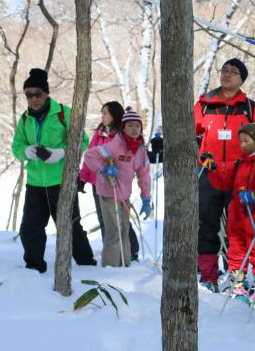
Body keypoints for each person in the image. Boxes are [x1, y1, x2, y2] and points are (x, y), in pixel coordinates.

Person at [194, 58, 255, 291]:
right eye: (225, 70)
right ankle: (208, 275)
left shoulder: (250, 108)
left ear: (242, 79)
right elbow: (186, 133)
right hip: (209, 174)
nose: (227, 74)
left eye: (234, 71)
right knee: (206, 226)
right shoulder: (204, 105)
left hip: (241, 177)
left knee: (238, 229)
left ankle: (235, 274)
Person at [11, 68, 96, 273]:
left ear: (46, 93)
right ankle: (34, 267)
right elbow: (16, 146)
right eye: (29, 94)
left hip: (61, 181)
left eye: (37, 94)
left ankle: (87, 265)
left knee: (70, 226)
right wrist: (27, 151)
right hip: (35, 183)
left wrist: (61, 153)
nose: (33, 99)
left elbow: (83, 142)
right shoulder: (25, 119)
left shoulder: (63, 114)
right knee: (30, 229)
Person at [83, 108, 152, 267]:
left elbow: (144, 175)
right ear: (123, 127)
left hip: (124, 196)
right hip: (109, 192)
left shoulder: (140, 150)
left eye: (137, 126)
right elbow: (90, 155)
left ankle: (125, 265)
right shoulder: (116, 145)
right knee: (113, 231)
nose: (134, 129)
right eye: (130, 126)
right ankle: (111, 268)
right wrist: (103, 169)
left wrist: (146, 198)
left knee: (124, 230)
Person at [224, 123, 255, 299]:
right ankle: (237, 283)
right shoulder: (241, 161)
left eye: (246, 141)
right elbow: (225, 180)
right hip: (237, 211)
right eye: (240, 141)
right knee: (236, 248)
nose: (242, 145)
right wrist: (213, 169)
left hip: (254, 213)